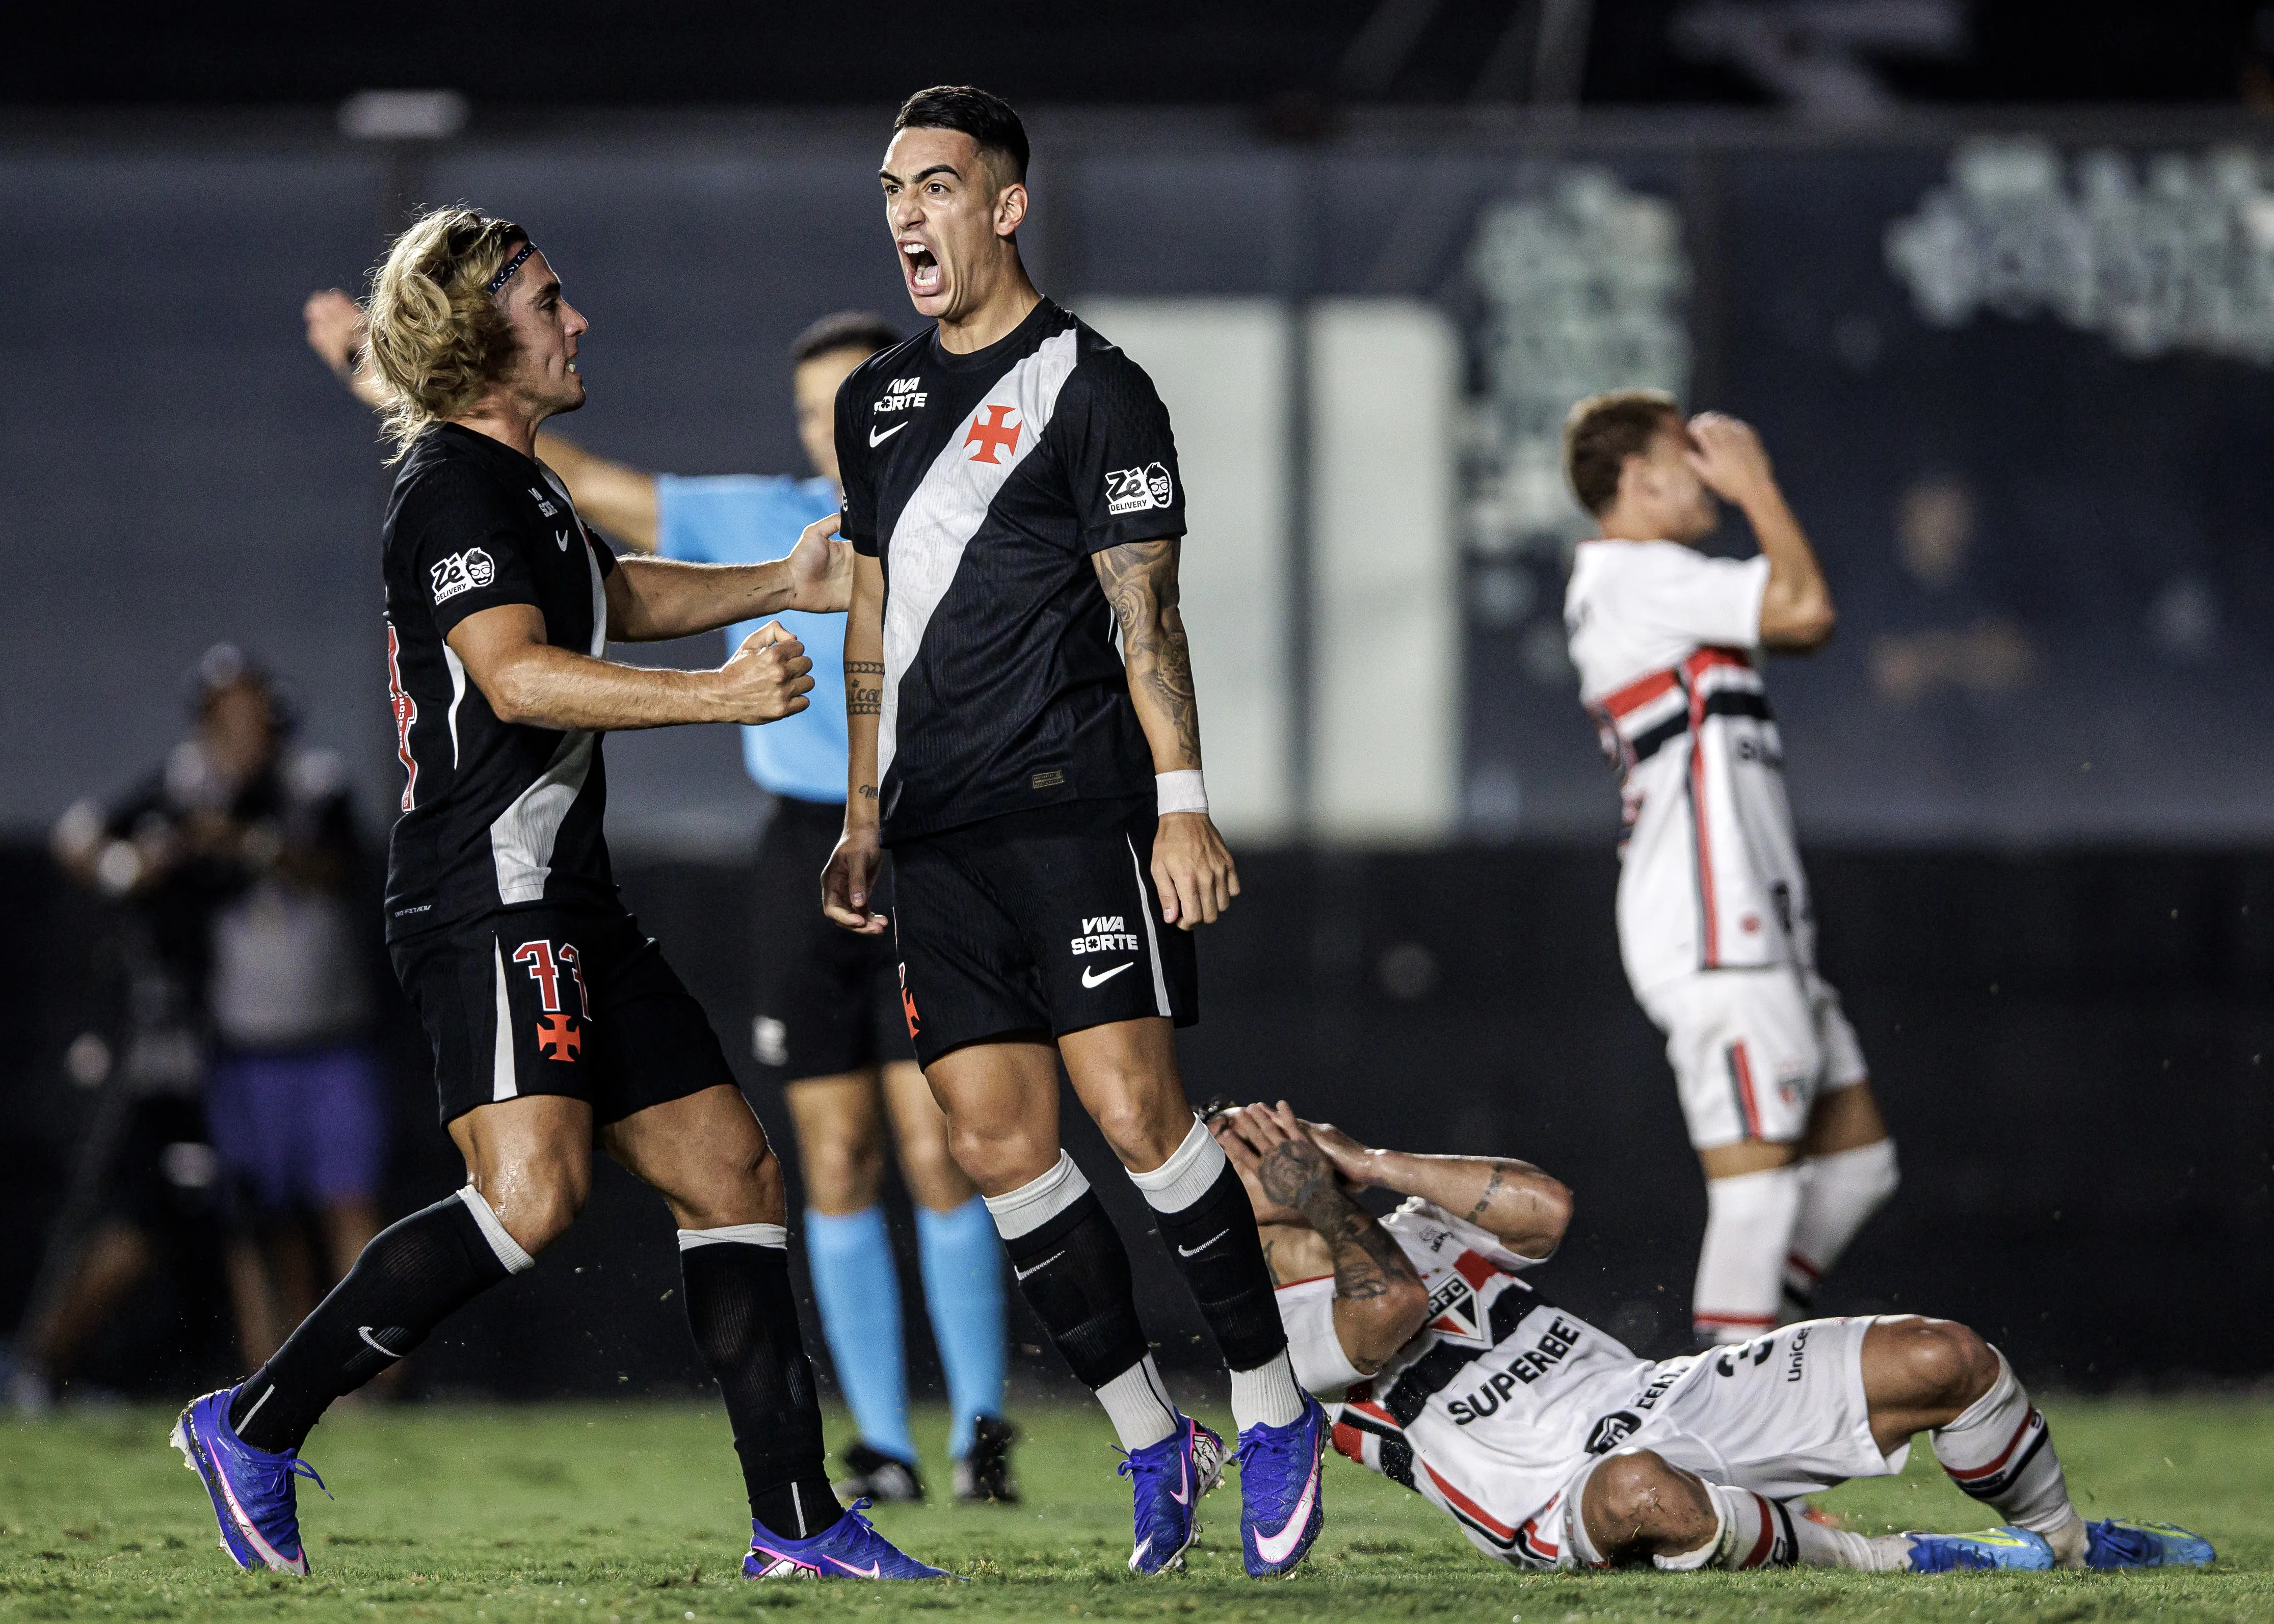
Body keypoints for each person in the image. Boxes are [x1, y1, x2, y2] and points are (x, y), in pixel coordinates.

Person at [172, 206, 944, 1584]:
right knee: (529, 1198)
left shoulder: (518, 483)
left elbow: (610, 597)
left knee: (732, 1172)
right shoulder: (453, 489)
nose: (576, 320)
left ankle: (795, 1523)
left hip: (565, 894)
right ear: (481, 340)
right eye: (546, 302)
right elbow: (517, 674)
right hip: (489, 895)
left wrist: (781, 579)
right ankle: (253, 1423)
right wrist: (715, 700)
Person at [306, 298, 1017, 1505]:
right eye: (811, 411)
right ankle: (883, 1451)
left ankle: (965, 1444)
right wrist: (392, 379)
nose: (830, 430)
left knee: (910, 1153)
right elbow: (544, 522)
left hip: (926, 839)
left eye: (850, 405)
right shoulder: (744, 513)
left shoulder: (966, 513)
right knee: (818, 1157)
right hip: (769, 856)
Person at [819, 85, 1326, 1580]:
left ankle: (1271, 1404)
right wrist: (860, 808)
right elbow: (871, 611)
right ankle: (1150, 1436)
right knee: (995, 1146)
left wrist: (1182, 802)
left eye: (935, 184)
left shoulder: (1096, 385)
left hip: (1074, 811)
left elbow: (1145, 609)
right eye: (892, 189)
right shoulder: (874, 402)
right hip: (932, 838)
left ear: (1005, 204)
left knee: (1135, 1112)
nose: (907, 213)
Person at [1206, 1098, 2214, 1575]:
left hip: (1662, 1393)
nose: (1271, 1143)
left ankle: (2065, 1545)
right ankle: (1901, 1558)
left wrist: (1370, 1160)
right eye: (1244, 1148)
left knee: (1945, 1355)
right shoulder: (1267, 1333)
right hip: (1554, 1494)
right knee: (1644, 1493)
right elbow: (1384, 1310)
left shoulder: (1407, 1223)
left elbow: (1546, 1212)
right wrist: (1322, 1200)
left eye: (1264, 1127)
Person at [1559, 393, 1900, 1345]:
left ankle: (1747, 1356)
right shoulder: (1637, 574)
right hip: (1714, 929)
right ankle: (1727, 1412)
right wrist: (1757, 488)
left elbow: (1800, 624)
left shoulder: (1644, 582)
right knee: (1756, 1199)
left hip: (1750, 926)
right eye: (1690, 458)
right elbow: (1806, 608)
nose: (1708, 475)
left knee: (1857, 1166)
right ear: (1639, 478)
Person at [29, 648, 385, 1403]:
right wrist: (134, 866)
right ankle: (282, 1380)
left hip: (326, 1039)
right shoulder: (180, 787)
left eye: (255, 714)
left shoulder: (311, 781)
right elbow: (79, 837)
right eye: (227, 716)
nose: (243, 731)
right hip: (221, 1049)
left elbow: (340, 866)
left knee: (347, 1204)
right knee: (257, 1219)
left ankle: (374, 1381)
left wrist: (248, 843)